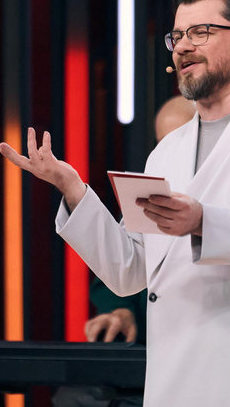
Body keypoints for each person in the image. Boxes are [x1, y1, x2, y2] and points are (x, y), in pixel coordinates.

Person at [0, 0, 230, 407]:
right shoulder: (167, 151)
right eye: (177, 36)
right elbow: (130, 271)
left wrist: (203, 221)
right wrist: (72, 189)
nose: (183, 47)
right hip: (175, 379)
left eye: (201, 32)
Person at [83, 95, 196, 346]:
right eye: (164, 144)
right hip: (154, 348)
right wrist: (121, 312)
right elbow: (124, 268)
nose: (172, 153)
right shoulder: (148, 198)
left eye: (182, 142)